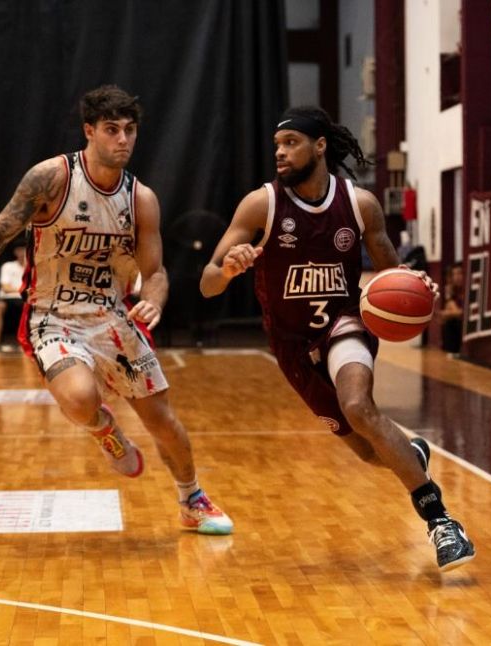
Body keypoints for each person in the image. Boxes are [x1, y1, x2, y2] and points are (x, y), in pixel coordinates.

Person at [0, 85, 232, 535]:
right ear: (89, 131)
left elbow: (155, 272)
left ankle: (192, 499)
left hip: (112, 317)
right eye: (111, 129)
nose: (123, 139)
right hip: (53, 315)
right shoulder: (52, 178)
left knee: (163, 421)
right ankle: (104, 429)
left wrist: (154, 300)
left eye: (130, 130)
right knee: (82, 398)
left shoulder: (141, 198)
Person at [200, 106, 475, 571]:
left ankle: (442, 522)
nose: (280, 153)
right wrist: (227, 269)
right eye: (277, 145)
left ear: (320, 146)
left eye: (291, 143)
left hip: (345, 323)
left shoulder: (359, 204)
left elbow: (392, 273)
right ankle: (411, 455)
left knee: (358, 407)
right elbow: (207, 283)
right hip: (291, 343)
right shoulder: (260, 204)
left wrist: (416, 286)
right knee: (368, 452)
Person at [0, 242, 26, 351]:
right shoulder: (8, 266)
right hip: (8, 298)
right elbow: (5, 287)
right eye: (19, 250)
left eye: (24, 250)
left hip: (25, 299)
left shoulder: (33, 267)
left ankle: (25, 342)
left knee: (28, 308)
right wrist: (22, 290)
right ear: (15, 252)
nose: (22, 253)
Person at [439, 264, 464, 354]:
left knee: (451, 320)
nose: (457, 277)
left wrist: (448, 314)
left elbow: (462, 313)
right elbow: (449, 309)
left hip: (464, 324)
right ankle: (450, 353)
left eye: (459, 273)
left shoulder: (467, 289)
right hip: (456, 322)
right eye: (454, 274)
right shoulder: (453, 290)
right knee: (448, 323)